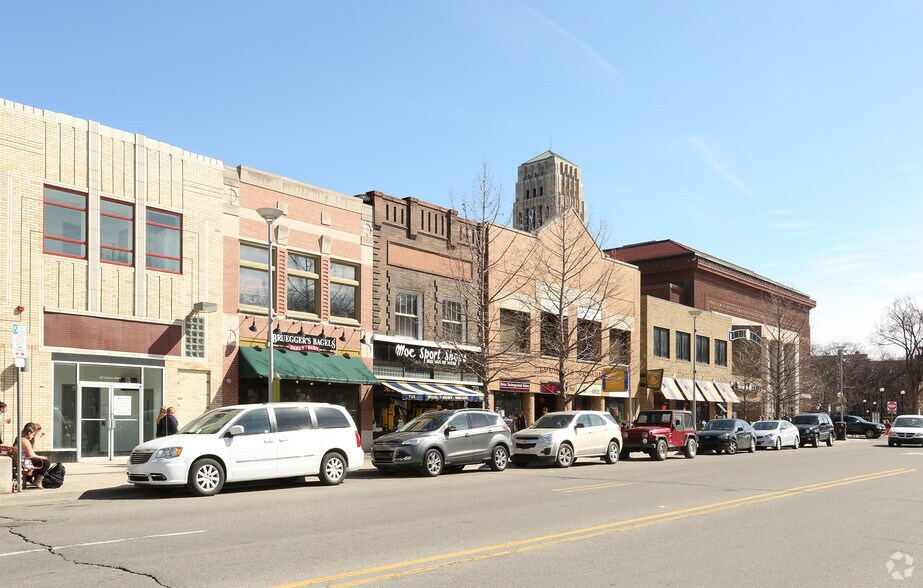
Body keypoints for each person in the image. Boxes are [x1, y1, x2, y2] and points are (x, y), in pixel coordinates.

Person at [14, 423, 50, 489]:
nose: (33, 436)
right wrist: (40, 457)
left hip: (20, 461)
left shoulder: (19, 439)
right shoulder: (25, 441)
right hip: (23, 462)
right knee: (46, 462)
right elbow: (31, 455)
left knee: (40, 461)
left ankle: (30, 477)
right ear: (29, 433)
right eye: (33, 435)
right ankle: (38, 481)